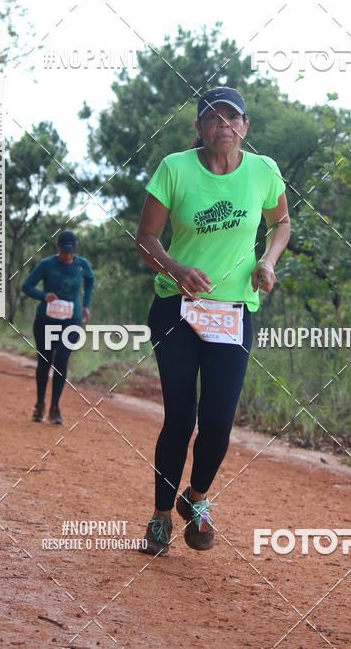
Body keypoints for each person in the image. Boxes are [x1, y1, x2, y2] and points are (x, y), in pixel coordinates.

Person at [135, 86, 290, 556]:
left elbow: (280, 224)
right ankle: (161, 517)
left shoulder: (264, 171)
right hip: (176, 310)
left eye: (233, 118)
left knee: (219, 421)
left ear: (245, 126)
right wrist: (176, 269)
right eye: (213, 118)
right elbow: (145, 239)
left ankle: (196, 499)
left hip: (234, 313)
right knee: (180, 419)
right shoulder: (175, 169)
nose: (224, 125)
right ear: (199, 127)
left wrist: (268, 261)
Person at [21, 230, 94, 425]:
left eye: (71, 253)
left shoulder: (81, 265)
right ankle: (39, 404)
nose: (67, 256)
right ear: (57, 248)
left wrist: (85, 303)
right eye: (64, 252)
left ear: (75, 250)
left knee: (62, 359)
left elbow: (90, 279)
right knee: (45, 362)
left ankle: (55, 407)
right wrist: (43, 296)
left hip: (71, 320)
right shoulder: (46, 265)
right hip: (45, 319)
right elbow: (26, 286)